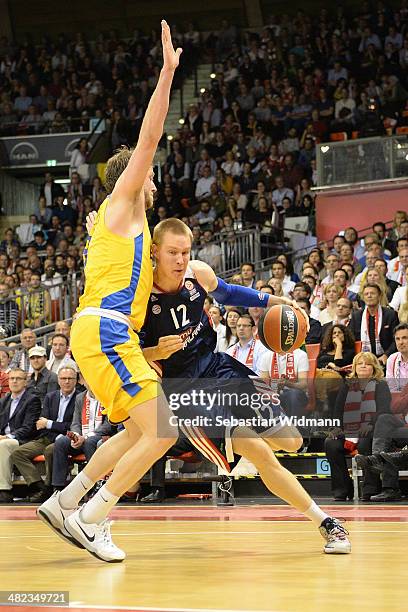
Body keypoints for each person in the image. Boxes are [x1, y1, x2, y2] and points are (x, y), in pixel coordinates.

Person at [37, 21, 183, 563]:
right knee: (162, 429)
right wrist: (166, 74)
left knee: (136, 429)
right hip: (104, 329)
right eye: (148, 173)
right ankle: (92, 518)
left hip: (99, 331)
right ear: (134, 176)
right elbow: (149, 137)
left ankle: (66, 501)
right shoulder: (126, 203)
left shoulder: (119, 225)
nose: (153, 178)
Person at [139, 217, 350, 554]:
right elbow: (123, 352)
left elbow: (229, 292)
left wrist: (274, 302)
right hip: (187, 394)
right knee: (261, 452)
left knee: (292, 442)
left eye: (185, 252)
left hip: (220, 368)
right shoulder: (139, 295)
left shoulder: (197, 273)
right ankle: (327, 523)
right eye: (172, 253)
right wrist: (152, 351)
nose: (181, 260)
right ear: (154, 252)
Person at [325, 353, 391, 501]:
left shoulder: (381, 385)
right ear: (354, 367)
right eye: (359, 363)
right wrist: (336, 427)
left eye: (367, 364)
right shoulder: (347, 386)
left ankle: (370, 488)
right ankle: (342, 489)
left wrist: (370, 424)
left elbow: (384, 410)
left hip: (371, 429)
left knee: (365, 442)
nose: (362, 366)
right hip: (348, 430)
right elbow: (338, 410)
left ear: (373, 367)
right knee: (331, 443)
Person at [11, 366, 78, 503]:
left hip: (66, 440)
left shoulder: (79, 397)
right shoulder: (50, 396)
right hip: (47, 437)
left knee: (50, 450)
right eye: (63, 378)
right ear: (58, 380)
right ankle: (39, 486)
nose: (66, 382)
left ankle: (49, 487)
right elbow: (40, 423)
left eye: (70, 378)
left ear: (76, 380)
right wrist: (51, 427)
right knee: (18, 453)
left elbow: (73, 425)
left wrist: (50, 424)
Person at [50, 387, 115, 493]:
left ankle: (95, 484)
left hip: (99, 435)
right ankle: (58, 487)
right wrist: (75, 436)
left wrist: (85, 437)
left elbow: (109, 425)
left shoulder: (108, 396)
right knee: (61, 442)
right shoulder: (80, 397)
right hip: (81, 436)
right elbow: (75, 422)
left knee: (89, 442)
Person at [0, 369, 41, 503]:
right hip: (5, 438)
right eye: (11, 378)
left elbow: (28, 428)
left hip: (22, 440)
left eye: (18, 378)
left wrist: (7, 437)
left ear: (25, 382)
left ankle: (4, 490)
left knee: (4, 445)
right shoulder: (4, 400)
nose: (14, 381)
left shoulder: (32, 400)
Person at [349, 284, 399, 365]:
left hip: (385, 359)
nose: (369, 296)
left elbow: (396, 339)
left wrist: (386, 355)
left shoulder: (390, 314)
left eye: (372, 293)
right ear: (363, 298)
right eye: (366, 294)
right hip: (362, 359)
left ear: (379, 296)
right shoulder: (356, 316)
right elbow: (351, 340)